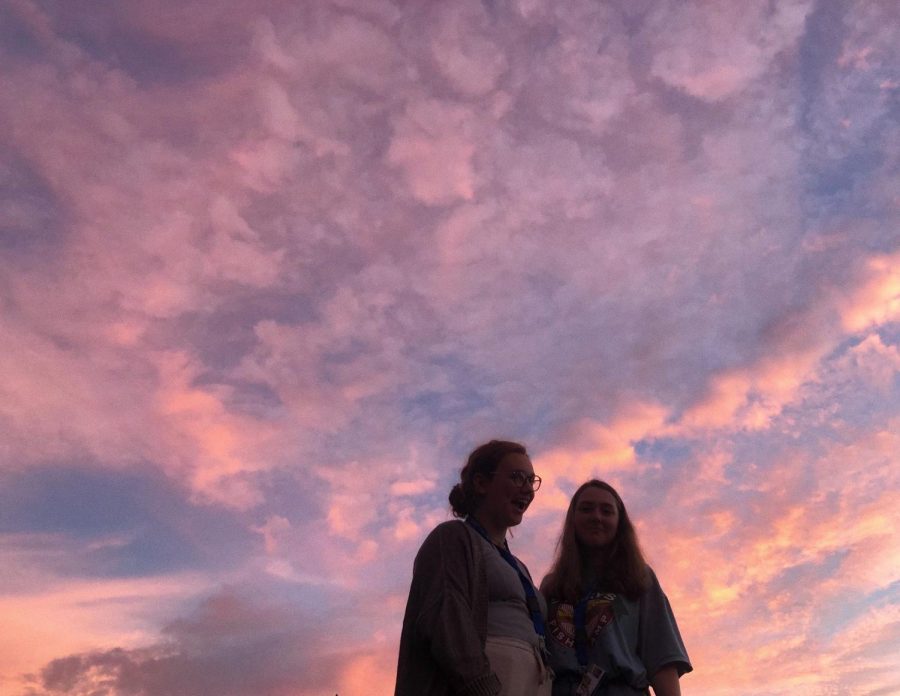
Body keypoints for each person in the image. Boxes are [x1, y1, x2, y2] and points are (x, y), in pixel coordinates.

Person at [394, 440, 552, 696]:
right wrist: (481, 686)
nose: (527, 489)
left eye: (531, 480)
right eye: (516, 477)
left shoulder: (519, 566)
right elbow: (446, 618)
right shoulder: (453, 537)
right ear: (481, 483)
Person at [540, 480, 691, 696]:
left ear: (619, 522)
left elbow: (661, 658)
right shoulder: (552, 585)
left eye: (607, 510)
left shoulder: (639, 578)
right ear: (572, 519)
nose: (596, 516)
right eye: (586, 509)